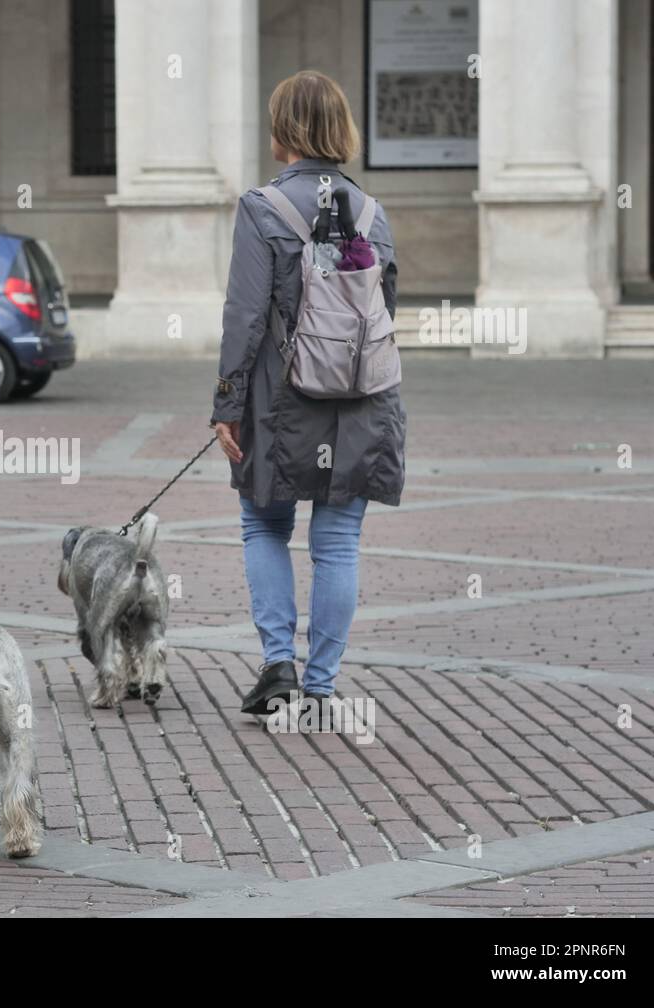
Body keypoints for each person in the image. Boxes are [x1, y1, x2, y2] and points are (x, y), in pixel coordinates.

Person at [211, 70, 405, 714]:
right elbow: (387, 311)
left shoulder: (263, 207)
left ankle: (278, 668)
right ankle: (320, 686)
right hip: (362, 399)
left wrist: (226, 405)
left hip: (281, 398)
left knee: (263, 524)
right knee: (339, 542)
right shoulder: (373, 214)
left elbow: (244, 317)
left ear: (282, 130)